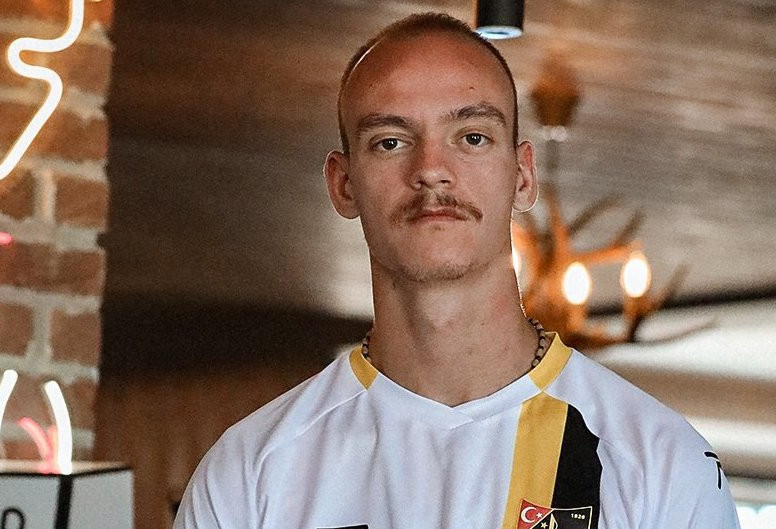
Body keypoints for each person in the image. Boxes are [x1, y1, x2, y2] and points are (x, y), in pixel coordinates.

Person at [174, 12, 741, 529]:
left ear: (522, 176)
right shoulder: (248, 473)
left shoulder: (658, 462)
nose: (431, 169)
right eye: (390, 142)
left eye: (472, 137)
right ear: (343, 185)